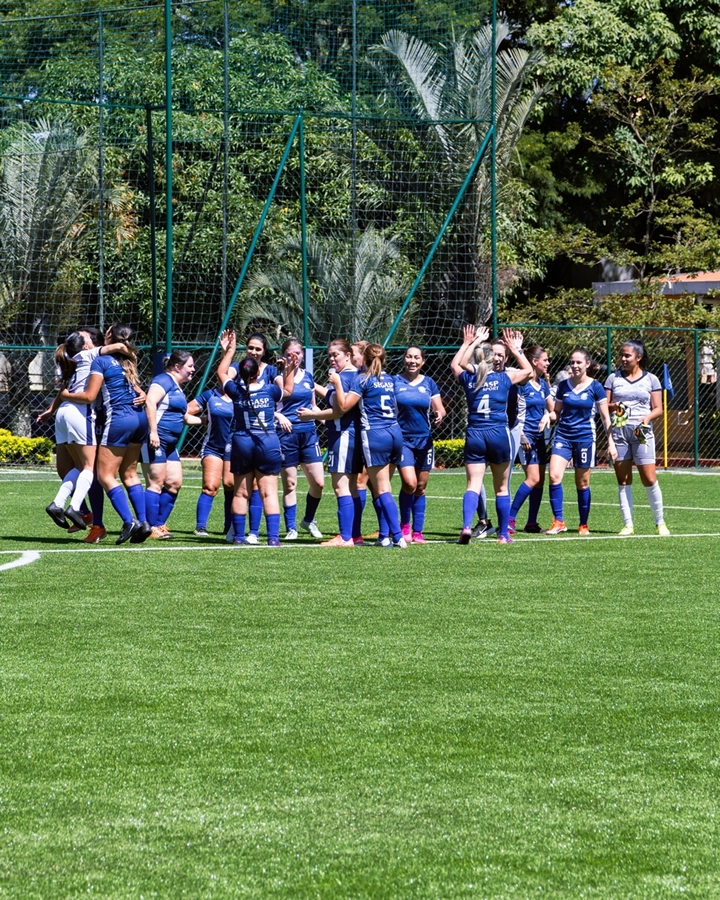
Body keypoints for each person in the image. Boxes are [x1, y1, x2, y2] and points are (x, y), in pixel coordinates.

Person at [61, 323, 151, 544]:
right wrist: (141, 393)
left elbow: (90, 395)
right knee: (129, 473)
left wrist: (64, 396)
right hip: (138, 418)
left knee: (100, 474)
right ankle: (143, 523)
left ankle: (122, 523)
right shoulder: (126, 358)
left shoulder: (98, 359)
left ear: (107, 337)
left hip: (113, 419)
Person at [39, 330, 130, 535]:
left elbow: (64, 390)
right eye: (85, 336)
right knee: (89, 467)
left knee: (79, 466)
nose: (89, 336)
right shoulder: (90, 354)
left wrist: (51, 410)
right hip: (80, 413)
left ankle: (58, 503)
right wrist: (130, 353)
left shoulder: (71, 359)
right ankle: (75, 507)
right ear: (86, 346)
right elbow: (119, 346)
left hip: (63, 414)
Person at [451, 325, 532, 544]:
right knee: (502, 488)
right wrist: (516, 350)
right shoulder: (504, 378)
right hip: (498, 434)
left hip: (475, 434)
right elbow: (528, 371)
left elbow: (457, 364)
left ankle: (466, 526)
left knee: (473, 484)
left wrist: (470, 342)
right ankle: (503, 534)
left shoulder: (470, 379)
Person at [328, 343, 407, 548]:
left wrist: (337, 383)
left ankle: (397, 536)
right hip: (395, 432)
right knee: (384, 486)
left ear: (365, 359)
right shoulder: (390, 379)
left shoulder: (362, 379)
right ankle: (385, 536)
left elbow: (343, 406)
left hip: (375, 435)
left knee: (382, 489)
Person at [218, 330, 291, 546]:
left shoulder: (235, 391)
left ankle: (239, 537)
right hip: (266, 441)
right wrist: (288, 368)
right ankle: (273, 538)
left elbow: (221, 372)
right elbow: (288, 390)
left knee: (241, 493)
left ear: (240, 373)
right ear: (259, 372)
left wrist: (230, 351)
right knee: (269, 493)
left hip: (242, 440)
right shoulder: (270, 390)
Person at [298, 339, 363, 547]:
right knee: (351, 487)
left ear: (348, 355)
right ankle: (354, 535)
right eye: (330, 355)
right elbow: (332, 397)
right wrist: (311, 383)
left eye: (336, 354)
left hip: (343, 435)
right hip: (351, 435)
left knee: (340, 486)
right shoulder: (353, 376)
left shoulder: (343, 378)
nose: (332, 359)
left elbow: (339, 411)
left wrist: (312, 415)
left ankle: (345, 537)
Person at [546, 347, 617, 535]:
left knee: (582, 483)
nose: (575, 365)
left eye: (579, 362)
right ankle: (558, 521)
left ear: (587, 364)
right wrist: (548, 416)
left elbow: (605, 418)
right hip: (563, 436)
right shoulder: (563, 386)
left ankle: (583, 524)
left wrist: (611, 443)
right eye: (572, 362)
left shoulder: (596, 387)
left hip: (585, 438)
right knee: (553, 476)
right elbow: (557, 412)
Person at [605, 339, 669, 535]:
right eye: (622, 355)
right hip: (619, 432)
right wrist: (614, 407)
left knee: (649, 478)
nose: (623, 359)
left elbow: (658, 408)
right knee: (623, 479)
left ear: (638, 357)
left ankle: (660, 522)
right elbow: (604, 406)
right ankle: (628, 525)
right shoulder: (613, 378)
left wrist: (647, 418)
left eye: (627, 355)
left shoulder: (651, 379)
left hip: (641, 432)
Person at [142, 350, 200, 539]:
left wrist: (206, 420)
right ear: (177, 367)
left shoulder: (177, 387)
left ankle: (159, 524)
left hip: (170, 444)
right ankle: (151, 526)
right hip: (156, 440)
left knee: (174, 483)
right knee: (156, 483)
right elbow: (150, 402)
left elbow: (183, 418)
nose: (193, 369)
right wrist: (153, 432)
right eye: (190, 366)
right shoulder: (163, 380)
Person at [394, 346, 445, 542]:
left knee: (421, 486)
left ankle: (418, 531)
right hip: (403, 440)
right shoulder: (395, 381)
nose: (412, 361)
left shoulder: (429, 383)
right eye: (409, 357)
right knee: (409, 483)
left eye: (416, 358)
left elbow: (440, 408)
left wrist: (439, 414)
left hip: (424, 440)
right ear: (404, 359)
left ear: (422, 361)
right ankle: (404, 525)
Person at [276, 338, 324, 540]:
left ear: (303, 355)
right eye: (290, 354)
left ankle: (308, 520)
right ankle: (291, 528)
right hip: (287, 434)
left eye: (297, 353)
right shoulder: (279, 379)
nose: (294, 357)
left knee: (319, 483)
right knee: (290, 484)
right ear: (284, 356)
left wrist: (324, 418)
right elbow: (271, 406)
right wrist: (280, 416)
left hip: (309, 433)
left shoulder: (308, 377)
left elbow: (313, 405)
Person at [508, 345, 555, 533]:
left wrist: (548, 415)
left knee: (539, 480)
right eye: (545, 360)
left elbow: (553, 410)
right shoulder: (522, 384)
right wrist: (521, 435)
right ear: (534, 362)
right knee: (533, 478)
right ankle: (509, 519)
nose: (548, 363)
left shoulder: (542, 384)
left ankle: (531, 523)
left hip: (539, 437)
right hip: (526, 436)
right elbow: (513, 412)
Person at [186, 376, 235, 537]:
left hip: (236, 449)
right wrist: (203, 420)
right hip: (213, 447)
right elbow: (184, 412)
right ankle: (200, 526)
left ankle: (229, 526)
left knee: (230, 485)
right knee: (210, 486)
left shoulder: (243, 395)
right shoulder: (210, 395)